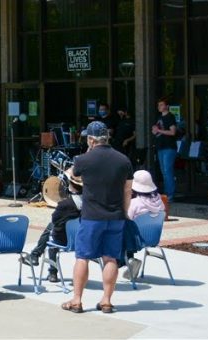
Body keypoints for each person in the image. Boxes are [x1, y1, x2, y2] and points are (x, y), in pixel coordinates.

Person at [62, 121, 133, 314]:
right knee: (111, 258)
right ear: (108, 137)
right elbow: (128, 191)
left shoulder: (83, 160)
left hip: (92, 216)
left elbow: (73, 176)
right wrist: (125, 213)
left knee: (82, 257)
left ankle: (77, 300)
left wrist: (87, 152)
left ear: (91, 140)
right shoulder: (123, 160)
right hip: (116, 216)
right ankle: (106, 301)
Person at [21, 170, 84, 283]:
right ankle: (35, 255)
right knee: (53, 227)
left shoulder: (64, 205)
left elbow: (55, 219)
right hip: (82, 240)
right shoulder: (90, 203)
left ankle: (50, 270)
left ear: (71, 187)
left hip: (64, 241)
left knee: (52, 230)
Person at [123, 170, 164, 281]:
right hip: (153, 238)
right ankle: (129, 260)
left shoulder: (135, 203)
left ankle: (128, 260)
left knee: (119, 232)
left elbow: (127, 219)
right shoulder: (159, 200)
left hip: (135, 240)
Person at [151, 98, 177, 201]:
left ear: (167, 106)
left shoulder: (170, 116)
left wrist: (159, 130)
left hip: (169, 147)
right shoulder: (159, 118)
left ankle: (169, 195)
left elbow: (173, 132)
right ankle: (166, 194)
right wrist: (155, 131)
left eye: (161, 105)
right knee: (163, 172)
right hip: (160, 147)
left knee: (167, 171)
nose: (159, 107)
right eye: (158, 105)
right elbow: (157, 132)